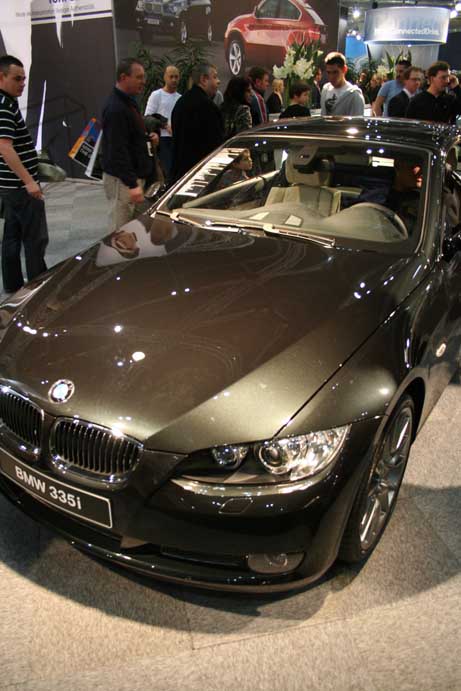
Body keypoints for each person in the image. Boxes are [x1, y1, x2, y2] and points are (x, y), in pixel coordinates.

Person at [0, 54, 48, 294]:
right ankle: (37, 289)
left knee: (12, 236)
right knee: (34, 239)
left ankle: (13, 285)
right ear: (1, 77)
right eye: (17, 79)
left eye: (24, 79)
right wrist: (29, 181)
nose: (22, 83)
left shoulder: (6, 102)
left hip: (11, 187)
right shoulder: (4, 105)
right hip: (19, 187)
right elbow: (4, 147)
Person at [101, 58, 159, 232]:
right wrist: (132, 184)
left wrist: (147, 139)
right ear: (123, 77)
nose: (143, 81)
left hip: (132, 178)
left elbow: (129, 137)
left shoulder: (128, 102)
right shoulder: (116, 108)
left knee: (132, 230)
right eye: (139, 77)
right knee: (120, 231)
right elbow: (117, 150)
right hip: (122, 181)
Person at [171, 63, 223, 182]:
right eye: (215, 77)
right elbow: (215, 146)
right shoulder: (208, 107)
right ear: (203, 79)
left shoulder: (181, 102)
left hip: (180, 175)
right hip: (201, 175)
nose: (218, 81)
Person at [144, 65, 181, 185]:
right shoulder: (157, 95)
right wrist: (164, 125)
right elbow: (148, 116)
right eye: (171, 77)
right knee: (167, 170)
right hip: (162, 139)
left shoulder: (180, 98)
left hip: (176, 139)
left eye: (176, 77)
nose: (174, 80)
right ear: (165, 77)